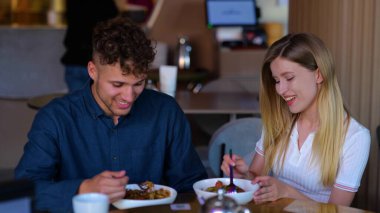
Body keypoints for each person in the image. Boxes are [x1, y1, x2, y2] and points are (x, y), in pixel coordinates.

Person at [16, 16, 208, 212]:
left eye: (138, 83)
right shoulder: (55, 118)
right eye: (118, 84)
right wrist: (83, 189)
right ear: (92, 71)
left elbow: (191, 185)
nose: (129, 96)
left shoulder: (166, 112)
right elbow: (22, 193)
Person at [221, 33, 370, 206]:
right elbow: (256, 177)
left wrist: (286, 191)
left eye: (289, 78)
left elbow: (337, 210)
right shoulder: (279, 122)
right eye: (277, 80)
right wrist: (245, 176)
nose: (281, 90)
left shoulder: (355, 137)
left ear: (319, 75)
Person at [61, 0, 118, 92]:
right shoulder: (105, 5)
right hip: (98, 60)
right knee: (99, 104)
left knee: (77, 104)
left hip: (75, 58)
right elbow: (113, 22)